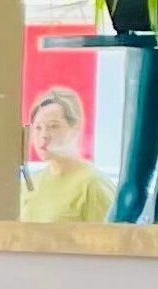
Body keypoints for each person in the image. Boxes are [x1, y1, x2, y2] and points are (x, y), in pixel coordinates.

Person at [20, 87, 114, 224]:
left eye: (53, 126)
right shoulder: (30, 184)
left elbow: (110, 241)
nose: (44, 135)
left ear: (75, 128)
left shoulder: (93, 185)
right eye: (38, 128)